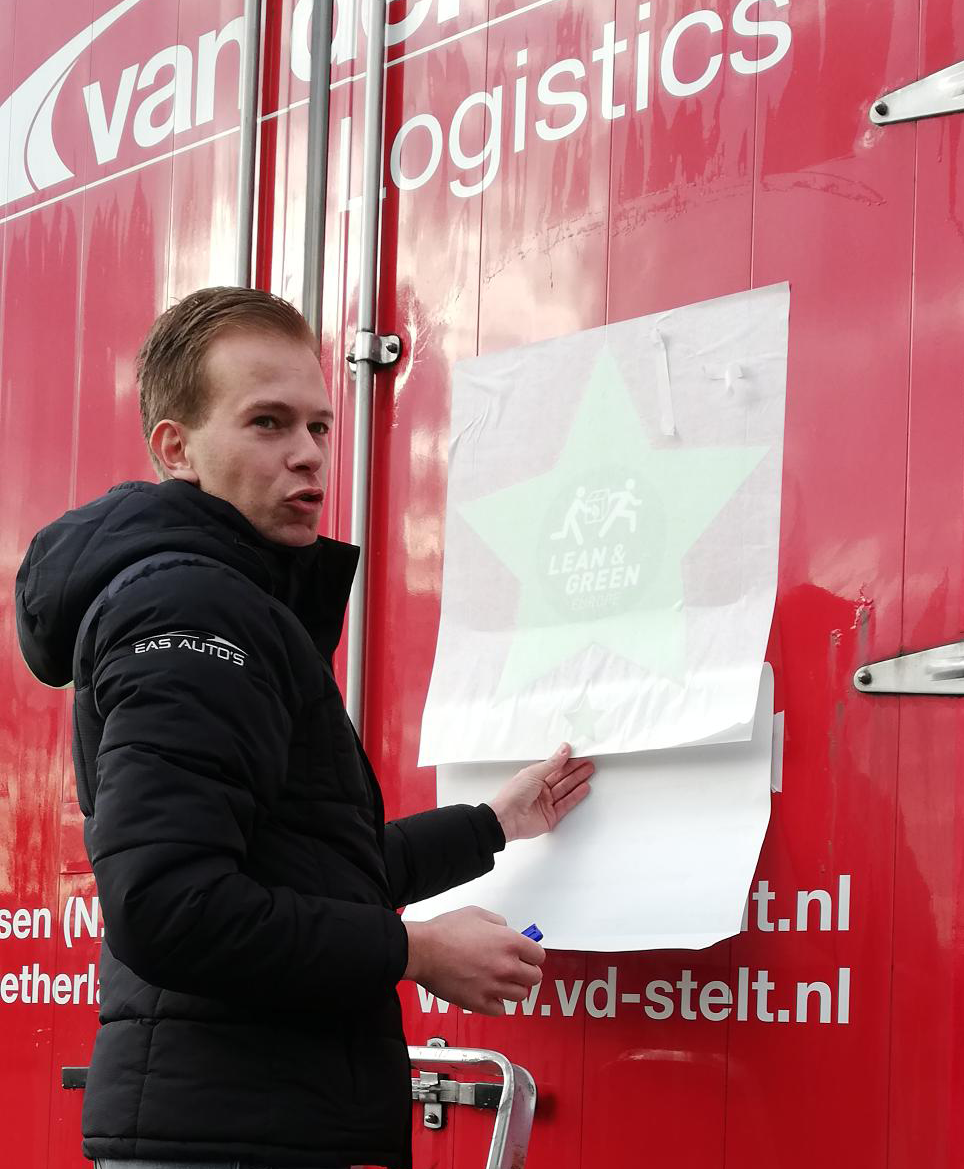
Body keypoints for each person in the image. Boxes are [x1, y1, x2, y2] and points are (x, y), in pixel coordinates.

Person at [14, 286, 593, 1169]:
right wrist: (414, 950)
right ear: (176, 449)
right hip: (231, 1141)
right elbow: (166, 906)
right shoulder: (191, 604)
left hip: (238, 1128)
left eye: (320, 426)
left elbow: (306, 871)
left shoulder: (227, 598)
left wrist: (494, 824)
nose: (309, 455)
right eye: (268, 423)